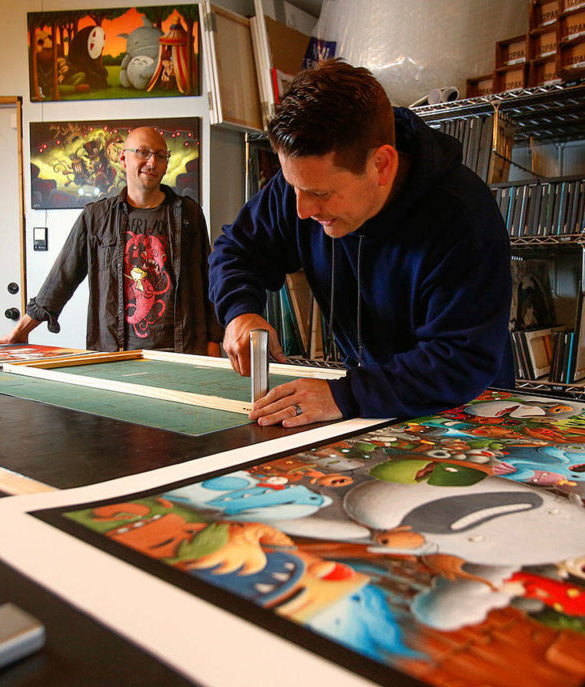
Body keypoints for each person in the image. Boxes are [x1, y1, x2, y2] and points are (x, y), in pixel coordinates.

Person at [208, 60, 513, 427]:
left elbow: (459, 358)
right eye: (294, 188)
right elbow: (238, 250)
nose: (302, 211)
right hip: (368, 400)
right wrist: (239, 311)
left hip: (465, 406)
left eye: (321, 193)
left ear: (382, 166)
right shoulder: (302, 188)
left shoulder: (464, 217)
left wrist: (345, 395)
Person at [0, 126, 222, 355]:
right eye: (143, 153)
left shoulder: (189, 214)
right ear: (123, 159)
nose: (152, 162)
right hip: (116, 355)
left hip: (182, 354)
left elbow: (210, 280)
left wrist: (214, 342)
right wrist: (22, 330)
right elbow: (61, 278)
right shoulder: (96, 217)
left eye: (160, 155)